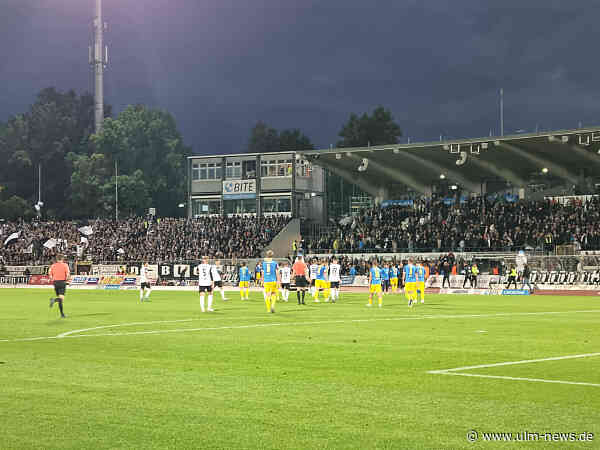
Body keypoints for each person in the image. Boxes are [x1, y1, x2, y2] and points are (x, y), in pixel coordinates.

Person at [49, 254, 69, 318]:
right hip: (62, 282)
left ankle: (62, 314)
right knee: (61, 298)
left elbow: (49, 273)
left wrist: (52, 279)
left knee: (60, 299)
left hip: (55, 283)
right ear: (62, 258)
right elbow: (68, 274)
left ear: (57, 259)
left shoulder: (53, 265)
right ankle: (54, 300)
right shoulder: (65, 265)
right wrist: (67, 280)